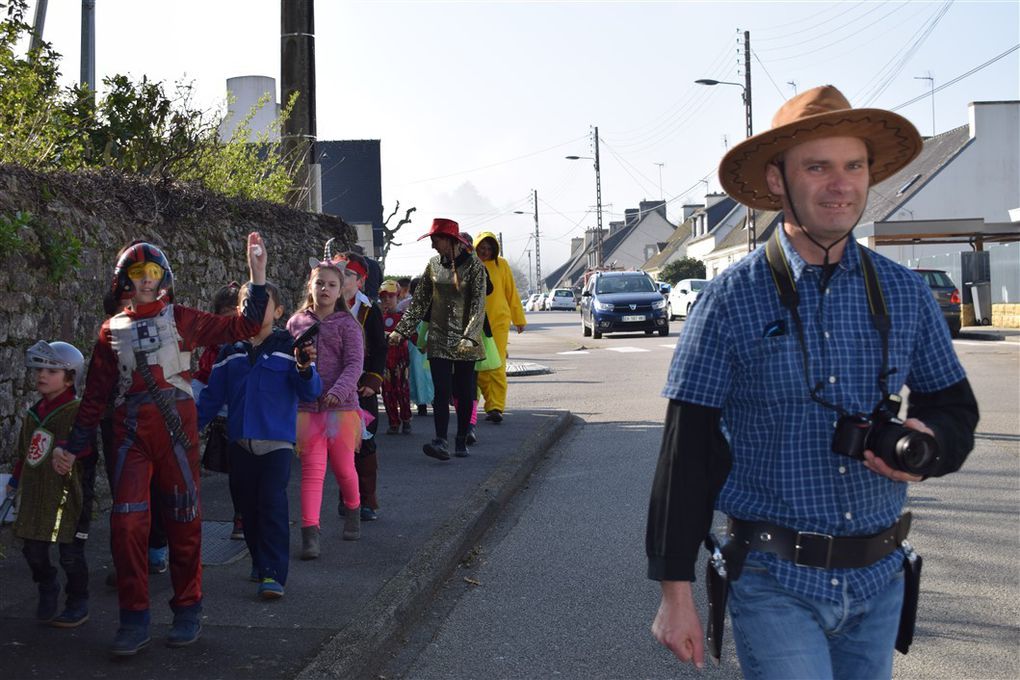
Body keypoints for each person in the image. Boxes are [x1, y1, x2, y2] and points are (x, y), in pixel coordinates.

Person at [646, 85, 979, 679]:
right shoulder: (728, 301)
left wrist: (931, 445)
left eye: (854, 166)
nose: (841, 184)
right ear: (778, 181)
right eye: (818, 166)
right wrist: (675, 594)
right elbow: (686, 451)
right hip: (776, 578)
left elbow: (954, 405)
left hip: (881, 579)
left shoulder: (905, 294)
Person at [53, 234, 269, 656]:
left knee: (185, 523)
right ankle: (133, 618)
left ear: (164, 277)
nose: (147, 281)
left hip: (176, 434)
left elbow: (242, 327)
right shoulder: (108, 332)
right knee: (126, 525)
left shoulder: (182, 318)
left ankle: (188, 608)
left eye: (153, 273)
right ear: (124, 281)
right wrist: (72, 446)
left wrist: (257, 276)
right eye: (138, 274)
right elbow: (95, 396)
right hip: (130, 435)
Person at [198, 282, 321, 599]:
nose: (252, 308)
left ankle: (273, 573)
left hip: (276, 445)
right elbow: (212, 398)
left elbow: (310, 391)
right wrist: (186, 429)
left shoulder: (289, 348)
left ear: (279, 312)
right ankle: (259, 560)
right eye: (246, 303)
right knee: (248, 510)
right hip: (239, 444)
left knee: (271, 505)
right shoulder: (230, 351)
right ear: (239, 310)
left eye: (263, 303)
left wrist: (305, 368)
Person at [7, 340, 92, 628]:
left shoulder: (77, 411)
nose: (42, 375)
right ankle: (47, 585)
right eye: (40, 369)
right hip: (34, 494)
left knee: (70, 554)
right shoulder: (34, 412)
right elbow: (26, 452)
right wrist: (15, 481)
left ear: (70, 377)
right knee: (32, 549)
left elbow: (87, 448)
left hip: (66, 496)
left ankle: (77, 600)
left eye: (51, 371)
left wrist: (68, 450)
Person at [287, 259, 365, 558]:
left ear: (342, 290)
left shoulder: (348, 324)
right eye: (320, 283)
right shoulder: (296, 323)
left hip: (341, 408)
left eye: (332, 284)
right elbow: (288, 363)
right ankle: (310, 534)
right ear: (310, 285)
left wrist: (338, 391)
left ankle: (354, 509)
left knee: (344, 468)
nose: (325, 289)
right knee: (312, 471)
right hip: (307, 409)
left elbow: (354, 364)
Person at [392, 218, 487, 460]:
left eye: (435, 240)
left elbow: (478, 305)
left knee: (464, 391)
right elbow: (420, 302)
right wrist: (401, 331)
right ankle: (441, 440)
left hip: (467, 337)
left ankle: (461, 438)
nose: (433, 245)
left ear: (449, 240)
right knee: (441, 391)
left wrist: (470, 335)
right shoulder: (433, 265)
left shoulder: (475, 267)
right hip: (439, 336)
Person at [335, 251, 388, 521]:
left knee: (364, 445)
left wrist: (372, 380)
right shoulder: (325, 307)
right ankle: (347, 498)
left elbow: (380, 349)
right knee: (340, 446)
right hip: (334, 386)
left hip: (361, 388)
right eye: (338, 272)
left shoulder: (369, 310)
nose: (342, 278)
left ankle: (366, 501)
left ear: (360, 281)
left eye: (348, 274)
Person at [192, 281, 244, 540]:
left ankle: (251, 515)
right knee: (237, 473)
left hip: (251, 418)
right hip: (225, 420)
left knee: (254, 473)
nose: (231, 328)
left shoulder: (254, 347)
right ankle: (241, 516)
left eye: (236, 321)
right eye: (225, 321)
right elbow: (202, 385)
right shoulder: (212, 351)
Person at [472, 231, 526, 423]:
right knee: (478, 366)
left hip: (499, 323)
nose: (485, 252)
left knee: (497, 365)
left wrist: (519, 319)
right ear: (475, 247)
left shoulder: (501, 264)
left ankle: (496, 406)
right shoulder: (470, 265)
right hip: (475, 323)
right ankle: (476, 403)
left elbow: (511, 292)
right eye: (482, 248)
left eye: (489, 249)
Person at [379, 280, 412, 435]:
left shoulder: (403, 317)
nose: (387, 300)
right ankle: (393, 422)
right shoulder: (378, 318)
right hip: (385, 360)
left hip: (401, 359)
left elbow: (413, 335)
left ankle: (406, 419)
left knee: (402, 389)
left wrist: (423, 345)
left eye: (390, 297)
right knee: (387, 391)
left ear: (397, 297)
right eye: (383, 297)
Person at [406, 276, 434, 416]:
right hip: (416, 346)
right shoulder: (408, 306)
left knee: (430, 374)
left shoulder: (435, 305)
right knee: (419, 374)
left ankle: (432, 402)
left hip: (429, 344)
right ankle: (421, 403)